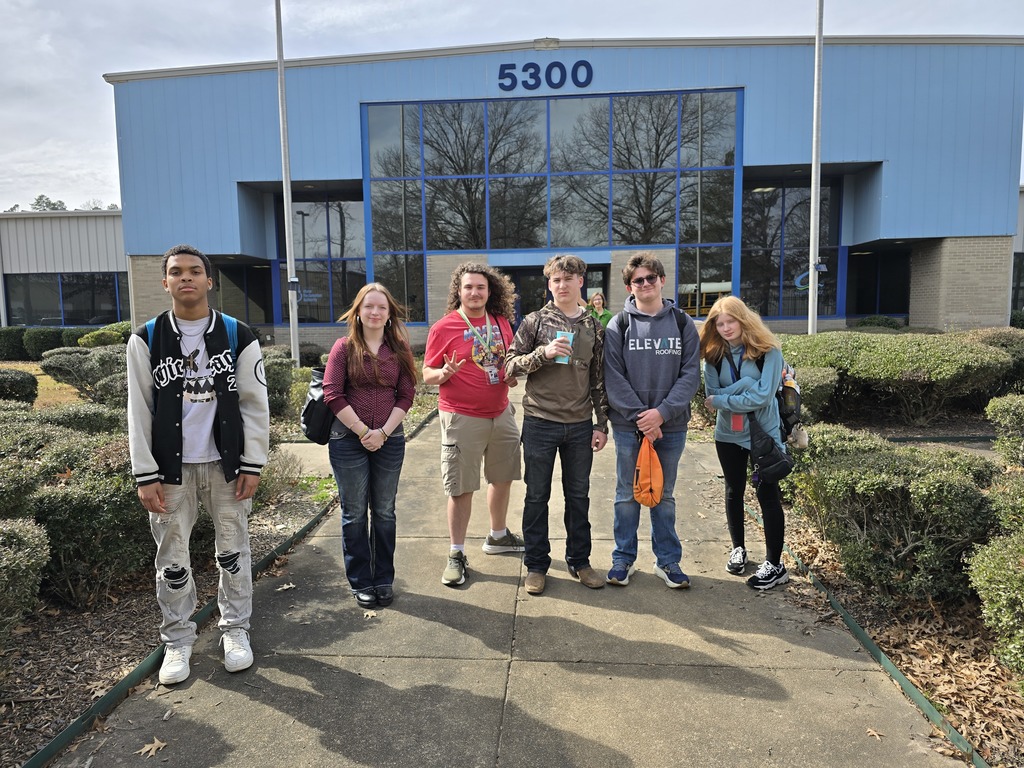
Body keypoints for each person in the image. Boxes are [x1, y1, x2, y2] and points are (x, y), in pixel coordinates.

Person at [127, 244, 270, 686]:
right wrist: (145, 472)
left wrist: (252, 463)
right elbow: (139, 409)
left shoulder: (237, 334)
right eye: (176, 272)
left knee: (233, 553)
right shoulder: (146, 338)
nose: (185, 278)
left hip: (225, 468)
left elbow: (254, 404)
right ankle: (177, 639)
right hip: (171, 471)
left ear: (210, 281)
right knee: (172, 558)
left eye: (195, 271)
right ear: (165, 282)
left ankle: (236, 630)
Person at [504, 254, 609, 595]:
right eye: (556, 280)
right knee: (537, 497)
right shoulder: (534, 322)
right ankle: (536, 565)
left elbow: (599, 380)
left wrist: (601, 424)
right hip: (540, 422)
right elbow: (509, 366)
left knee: (578, 496)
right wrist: (543, 354)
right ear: (549, 285)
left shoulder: (594, 326)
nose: (562, 285)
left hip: (580, 425)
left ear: (581, 282)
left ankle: (580, 561)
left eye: (569, 279)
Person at [422, 263, 524, 587]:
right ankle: (456, 553)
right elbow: (427, 374)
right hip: (462, 416)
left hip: (502, 412)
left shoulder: (502, 323)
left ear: (489, 290)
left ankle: (497, 535)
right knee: (461, 487)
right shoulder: (444, 327)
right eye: (468, 287)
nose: (475, 292)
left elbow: (507, 364)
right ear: (459, 291)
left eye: (480, 287)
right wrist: (444, 374)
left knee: (503, 476)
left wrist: (513, 375)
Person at [603, 253, 701, 589]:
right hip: (630, 427)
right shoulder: (619, 325)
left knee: (665, 494)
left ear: (661, 280)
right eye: (637, 280)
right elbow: (613, 377)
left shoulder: (684, 323)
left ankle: (668, 562)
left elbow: (691, 375)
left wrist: (662, 413)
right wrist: (642, 418)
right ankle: (623, 559)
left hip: (671, 425)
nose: (645, 284)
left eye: (650, 278)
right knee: (626, 494)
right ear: (629, 286)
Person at [323, 283, 417, 609]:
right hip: (348, 441)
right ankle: (361, 581)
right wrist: (365, 431)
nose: (375, 312)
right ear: (358, 312)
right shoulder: (343, 347)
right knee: (353, 513)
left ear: (389, 314)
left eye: (381, 307)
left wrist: (384, 433)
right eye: (369, 306)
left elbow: (406, 395)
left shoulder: (399, 349)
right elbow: (332, 393)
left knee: (384, 511)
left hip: (389, 440)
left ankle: (383, 579)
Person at [700, 295, 790, 590]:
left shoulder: (769, 351)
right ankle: (738, 548)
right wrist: (749, 387)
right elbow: (711, 396)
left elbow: (763, 396)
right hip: (727, 434)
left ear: (743, 319)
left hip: (764, 433)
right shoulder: (713, 355)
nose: (725, 328)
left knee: (767, 494)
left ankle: (775, 564)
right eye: (720, 323)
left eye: (730, 321)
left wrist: (730, 395)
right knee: (733, 490)